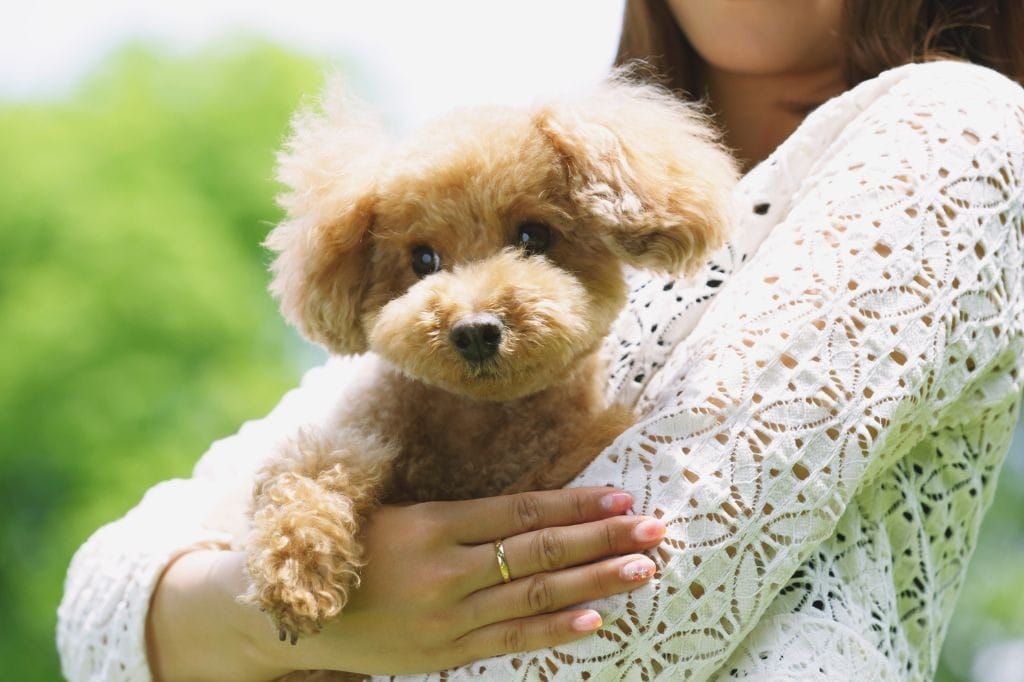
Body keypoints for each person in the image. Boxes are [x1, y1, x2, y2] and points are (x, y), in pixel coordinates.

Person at [58, 0, 1024, 679]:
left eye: (532, 238)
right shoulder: (417, 345)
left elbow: (652, 606)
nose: (472, 295)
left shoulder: (958, 132)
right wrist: (304, 616)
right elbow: (102, 608)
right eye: (427, 259)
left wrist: (248, 641)